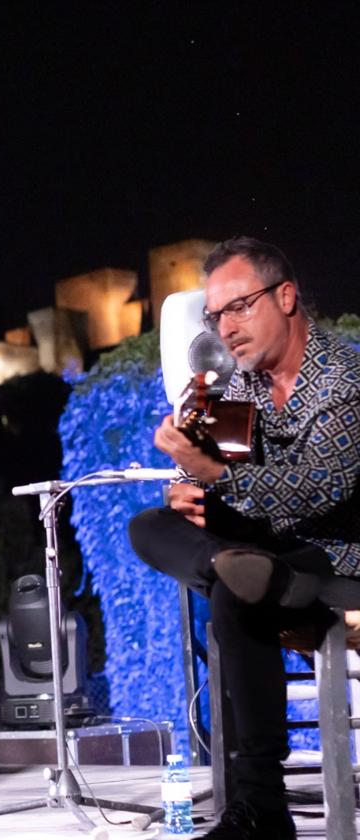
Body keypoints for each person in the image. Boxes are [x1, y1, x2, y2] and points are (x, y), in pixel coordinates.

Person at [130, 236, 360, 840]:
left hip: (337, 554)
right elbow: (202, 477)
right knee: (151, 527)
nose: (225, 328)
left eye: (239, 307)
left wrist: (215, 477)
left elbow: (320, 493)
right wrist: (185, 491)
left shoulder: (346, 381)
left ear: (285, 297)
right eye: (215, 315)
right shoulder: (235, 387)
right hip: (259, 549)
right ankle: (235, 565)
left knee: (240, 590)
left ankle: (260, 807)